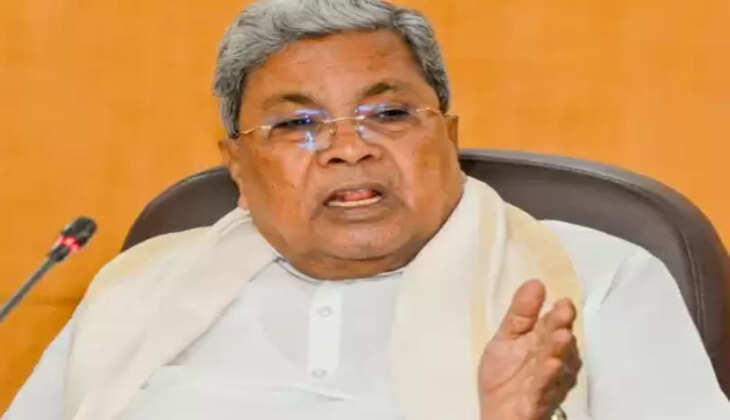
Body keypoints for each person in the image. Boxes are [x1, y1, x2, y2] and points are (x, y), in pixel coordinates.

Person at [4, 1, 729, 419]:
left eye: (388, 113)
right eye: (297, 124)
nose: (349, 149)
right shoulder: (138, 288)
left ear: (448, 137)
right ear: (236, 166)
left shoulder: (595, 279)